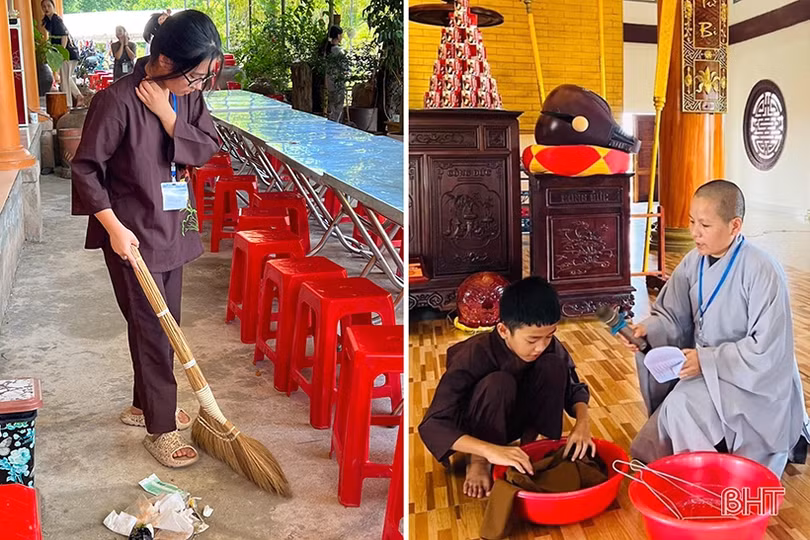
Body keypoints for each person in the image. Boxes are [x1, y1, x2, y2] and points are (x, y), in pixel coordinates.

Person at [71, 10, 222, 468]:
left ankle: (143, 405)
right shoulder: (115, 101)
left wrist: (169, 116)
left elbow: (207, 144)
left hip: (173, 223)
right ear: (162, 60)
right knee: (155, 329)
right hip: (132, 233)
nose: (197, 87)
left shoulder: (186, 96)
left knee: (159, 321)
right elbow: (85, 169)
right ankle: (160, 426)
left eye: (203, 80)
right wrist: (114, 229)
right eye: (192, 76)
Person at [625, 179, 810, 476]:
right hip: (709, 371)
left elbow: (768, 351)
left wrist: (708, 360)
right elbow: (672, 315)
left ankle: (710, 477)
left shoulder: (763, 271)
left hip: (752, 381)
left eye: (705, 225)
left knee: (683, 406)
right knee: (676, 410)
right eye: (691, 222)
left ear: (735, 226)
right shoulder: (692, 262)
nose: (694, 232)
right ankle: (701, 467)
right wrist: (651, 330)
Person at [418, 277, 594, 499]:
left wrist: (583, 423)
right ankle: (479, 462)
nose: (541, 347)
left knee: (554, 366)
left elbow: (573, 387)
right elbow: (432, 425)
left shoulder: (548, 346)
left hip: (516, 418)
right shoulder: (474, 354)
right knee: (498, 384)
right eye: (532, 340)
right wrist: (488, 451)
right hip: (477, 423)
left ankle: (536, 446)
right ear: (503, 330)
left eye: (549, 336)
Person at [41, 0, 82, 107]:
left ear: (53, 7)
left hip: (68, 54)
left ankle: (68, 104)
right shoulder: (48, 21)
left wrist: (61, 53)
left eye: (49, 6)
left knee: (64, 80)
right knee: (66, 78)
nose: (46, 8)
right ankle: (78, 97)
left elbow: (64, 36)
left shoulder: (56, 20)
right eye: (44, 6)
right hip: (66, 53)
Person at [321, 25, 347, 122]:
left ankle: (330, 122)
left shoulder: (326, 50)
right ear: (338, 36)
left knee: (331, 104)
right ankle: (335, 124)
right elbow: (345, 66)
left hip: (329, 81)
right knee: (338, 106)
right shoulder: (338, 51)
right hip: (337, 81)